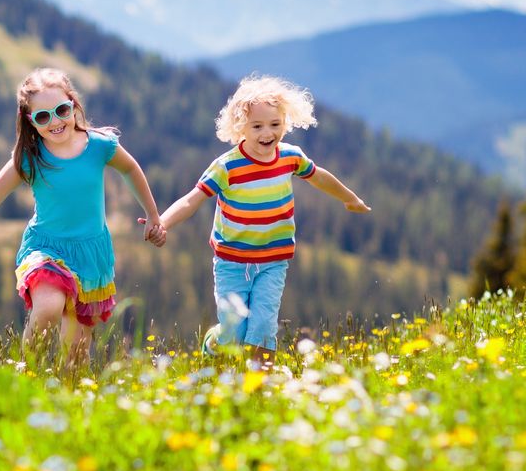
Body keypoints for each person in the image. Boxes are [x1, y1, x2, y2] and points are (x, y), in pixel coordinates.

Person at [0, 67, 164, 365]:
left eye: (61, 110)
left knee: (75, 356)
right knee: (49, 306)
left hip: (91, 254)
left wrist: (152, 214)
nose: (55, 122)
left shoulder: (99, 145)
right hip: (46, 248)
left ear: (74, 105)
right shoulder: (29, 158)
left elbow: (130, 169)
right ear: (30, 121)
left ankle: (68, 400)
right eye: (43, 116)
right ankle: (28, 376)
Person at [149, 73, 370, 364]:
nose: (268, 133)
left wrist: (349, 198)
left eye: (275, 124)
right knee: (234, 332)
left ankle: (259, 390)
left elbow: (319, 177)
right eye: (257, 126)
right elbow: (193, 199)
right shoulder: (227, 167)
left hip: (273, 261)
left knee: (264, 326)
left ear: (285, 123)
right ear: (241, 127)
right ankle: (214, 342)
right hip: (231, 262)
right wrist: (162, 222)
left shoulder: (290, 157)